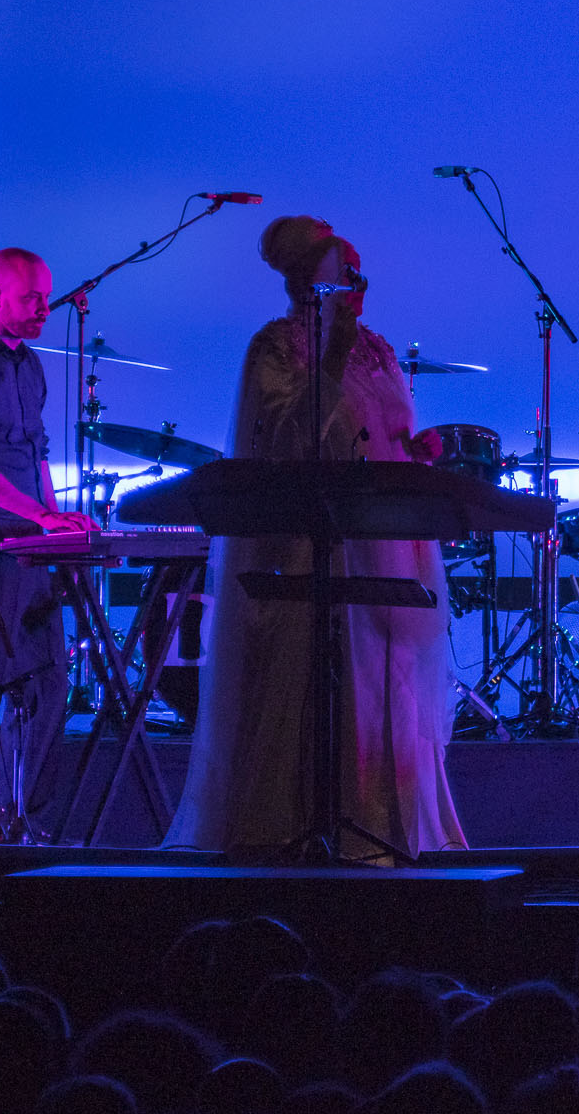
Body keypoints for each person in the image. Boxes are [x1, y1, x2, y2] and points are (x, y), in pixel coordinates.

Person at [167, 216, 465, 859]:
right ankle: (301, 833)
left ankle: (387, 830)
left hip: (383, 535)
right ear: (311, 282)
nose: (357, 286)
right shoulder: (276, 348)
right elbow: (289, 442)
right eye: (344, 274)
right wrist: (330, 349)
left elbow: (380, 428)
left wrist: (416, 447)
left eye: (359, 274)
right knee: (319, 683)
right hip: (314, 545)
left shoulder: (378, 349)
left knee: (388, 685)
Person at [0, 248, 96, 841]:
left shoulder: (32, 365)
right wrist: (34, 516)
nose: (44, 309)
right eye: (31, 299)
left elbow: (38, 452)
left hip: (27, 541)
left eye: (46, 298)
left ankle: (23, 817)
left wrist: (56, 519)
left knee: (49, 678)